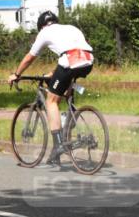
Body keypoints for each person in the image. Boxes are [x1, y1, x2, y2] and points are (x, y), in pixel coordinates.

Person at [7, 11, 93, 165]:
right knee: (65, 92)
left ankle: (59, 143)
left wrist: (17, 74)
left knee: (51, 102)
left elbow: (30, 57)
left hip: (70, 60)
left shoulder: (44, 32)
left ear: (41, 26)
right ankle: (68, 126)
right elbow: (73, 53)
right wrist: (53, 74)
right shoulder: (70, 28)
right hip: (87, 60)